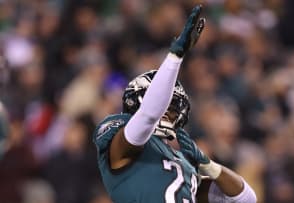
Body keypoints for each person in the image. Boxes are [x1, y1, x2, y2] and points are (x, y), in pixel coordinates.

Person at [93, 5, 257, 203]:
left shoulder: (184, 164)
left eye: (172, 111)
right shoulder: (118, 138)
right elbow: (148, 116)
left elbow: (246, 199)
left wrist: (208, 166)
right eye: (166, 107)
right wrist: (174, 57)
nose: (168, 114)